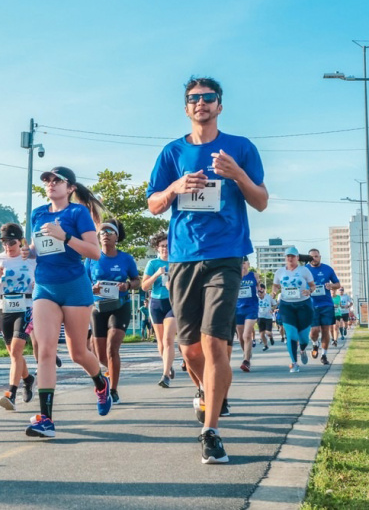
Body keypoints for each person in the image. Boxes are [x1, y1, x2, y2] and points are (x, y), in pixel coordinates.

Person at [146, 77, 268, 464]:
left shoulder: (241, 148)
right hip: (182, 258)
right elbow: (153, 204)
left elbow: (261, 201)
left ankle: (210, 431)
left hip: (226, 256)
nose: (201, 103)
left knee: (216, 344)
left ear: (220, 105)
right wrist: (176, 187)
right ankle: (207, 390)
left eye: (208, 98)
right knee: (190, 350)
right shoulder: (173, 152)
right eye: (193, 99)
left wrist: (237, 175)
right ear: (186, 108)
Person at [24, 166, 110, 438]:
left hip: (74, 286)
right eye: (47, 180)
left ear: (70, 187)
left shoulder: (78, 213)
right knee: (46, 350)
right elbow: (38, 248)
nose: (50, 184)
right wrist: (30, 251)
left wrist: (66, 237)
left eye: (57, 180)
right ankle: (46, 419)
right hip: (45, 287)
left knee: (77, 353)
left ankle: (100, 381)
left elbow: (94, 253)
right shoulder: (38, 214)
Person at [87, 218, 141, 404]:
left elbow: (137, 280)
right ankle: (110, 372)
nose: (105, 235)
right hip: (98, 308)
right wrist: (91, 288)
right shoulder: (91, 258)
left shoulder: (125, 258)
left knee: (112, 349)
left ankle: (114, 389)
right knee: (99, 353)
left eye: (110, 232)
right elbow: (84, 282)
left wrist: (127, 285)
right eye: (102, 232)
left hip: (120, 307)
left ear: (117, 237)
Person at [0, 222, 37, 411]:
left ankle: (11, 394)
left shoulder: (30, 259)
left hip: (25, 308)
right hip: (4, 309)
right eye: (4, 242)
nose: (8, 246)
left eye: (12, 242)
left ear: (20, 241)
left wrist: (35, 287)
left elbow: (42, 282)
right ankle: (28, 378)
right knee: (13, 354)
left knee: (16, 351)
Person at [141, 232, 177, 387]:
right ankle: (168, 365)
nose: (165, 249)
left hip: (173, 303)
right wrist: (156, 274)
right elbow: (144, 286)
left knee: (168, 339)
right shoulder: (153, 263)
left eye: (168, 246)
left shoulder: (177, 263)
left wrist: (172, 286)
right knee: (161, 342)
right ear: (157, 247)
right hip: (156, 303)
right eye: (162, 246)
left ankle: (165, 375)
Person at [273, 247, 315, 372]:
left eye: (292, 256)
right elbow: (275, 286)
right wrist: (274, 292)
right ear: (285, 258)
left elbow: (313, 286)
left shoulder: (304, 270)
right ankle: (294, 362)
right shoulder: (279, 272)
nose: (290, 258)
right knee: (291, 334)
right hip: (286, 306)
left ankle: (302, 349)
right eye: (288, 256)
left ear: (297, 257)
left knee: (304, 338)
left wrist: (309, 291)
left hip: (304, 306)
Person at [305, 249, 341, 366]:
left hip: (326, 304)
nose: (314, 259)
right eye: (311, 257)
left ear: (320, 257)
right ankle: (315, 344)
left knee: (326, 330)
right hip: (311, 304)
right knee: (314, 330)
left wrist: (332, 285)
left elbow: (338, 284)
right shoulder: (305, 269)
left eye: (316, 256)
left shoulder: (327, 269)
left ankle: (324, 355)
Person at [235, 257, 259, 372]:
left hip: (251, 308)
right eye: (240, 262)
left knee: (246, 335)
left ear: (248, 264)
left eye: (244, 262)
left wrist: (260, 291)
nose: (242, 265)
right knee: (240, 337)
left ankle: (246, 360)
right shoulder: (234, 275)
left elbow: (259, 287)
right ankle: (246, 353)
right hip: (237, 309)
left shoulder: (254, 275)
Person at [256, 283, 276, 350]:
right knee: (261, 334)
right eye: (258, 291)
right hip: (260, 317)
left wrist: (272, 309)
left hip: (268, 317)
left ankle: (271, 337)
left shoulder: (268, 297)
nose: (259, 293)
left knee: (268, 333)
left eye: (261, 291)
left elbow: (275, 304)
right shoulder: (256, 297)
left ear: (264, 290)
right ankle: (265, 345)